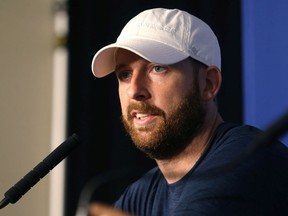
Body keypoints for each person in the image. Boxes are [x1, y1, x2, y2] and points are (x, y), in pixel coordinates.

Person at [89, 8, 288, 216]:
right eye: (125, 74)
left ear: (208, 84)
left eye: (157, 68)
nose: (134, 90)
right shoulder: (143, 193)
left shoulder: (248, 161)